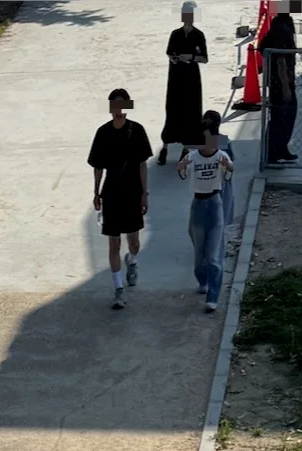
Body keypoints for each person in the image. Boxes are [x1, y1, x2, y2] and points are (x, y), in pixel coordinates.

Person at [88, 89, 152, 311]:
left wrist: (145, 193)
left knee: (133, 242)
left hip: (133, 192)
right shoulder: (102, 133)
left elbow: (143, 163)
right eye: (114, 106)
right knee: (113, 242)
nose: (118, 111)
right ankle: (118, 289)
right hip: (112, 194)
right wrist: (96, 193)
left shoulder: (137, 131)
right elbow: (97, 167)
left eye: (121, 106)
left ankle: (132, 261)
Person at [178, 111, 233, 313]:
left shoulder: (223, 152)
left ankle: (213, 296)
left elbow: (230, 171)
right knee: (199, 253)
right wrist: (181, 167)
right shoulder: (192, 155)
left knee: (213, 255)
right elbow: (182, 172)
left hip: (215, 201)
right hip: (198, 205)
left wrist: (227, 167)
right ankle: (203, 280)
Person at [159, 2, 208, 165]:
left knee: (191, 112)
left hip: (192, 79)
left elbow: (204, 58)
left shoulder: (198, 35)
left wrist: (191, 57)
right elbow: (169, 52)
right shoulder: (175, 34)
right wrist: (174, 58)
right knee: (172, 109)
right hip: (176, 77)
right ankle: (165, 145)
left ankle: (186, 147)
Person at [261, 12, 298, 163]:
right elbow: (281, 60)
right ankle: (273, 152)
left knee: (284, 116)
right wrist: (285, 86)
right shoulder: (281, 28)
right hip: (281, 81)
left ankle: (281, 148)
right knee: (282, 116)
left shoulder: (283, 23)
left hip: (283, 79)